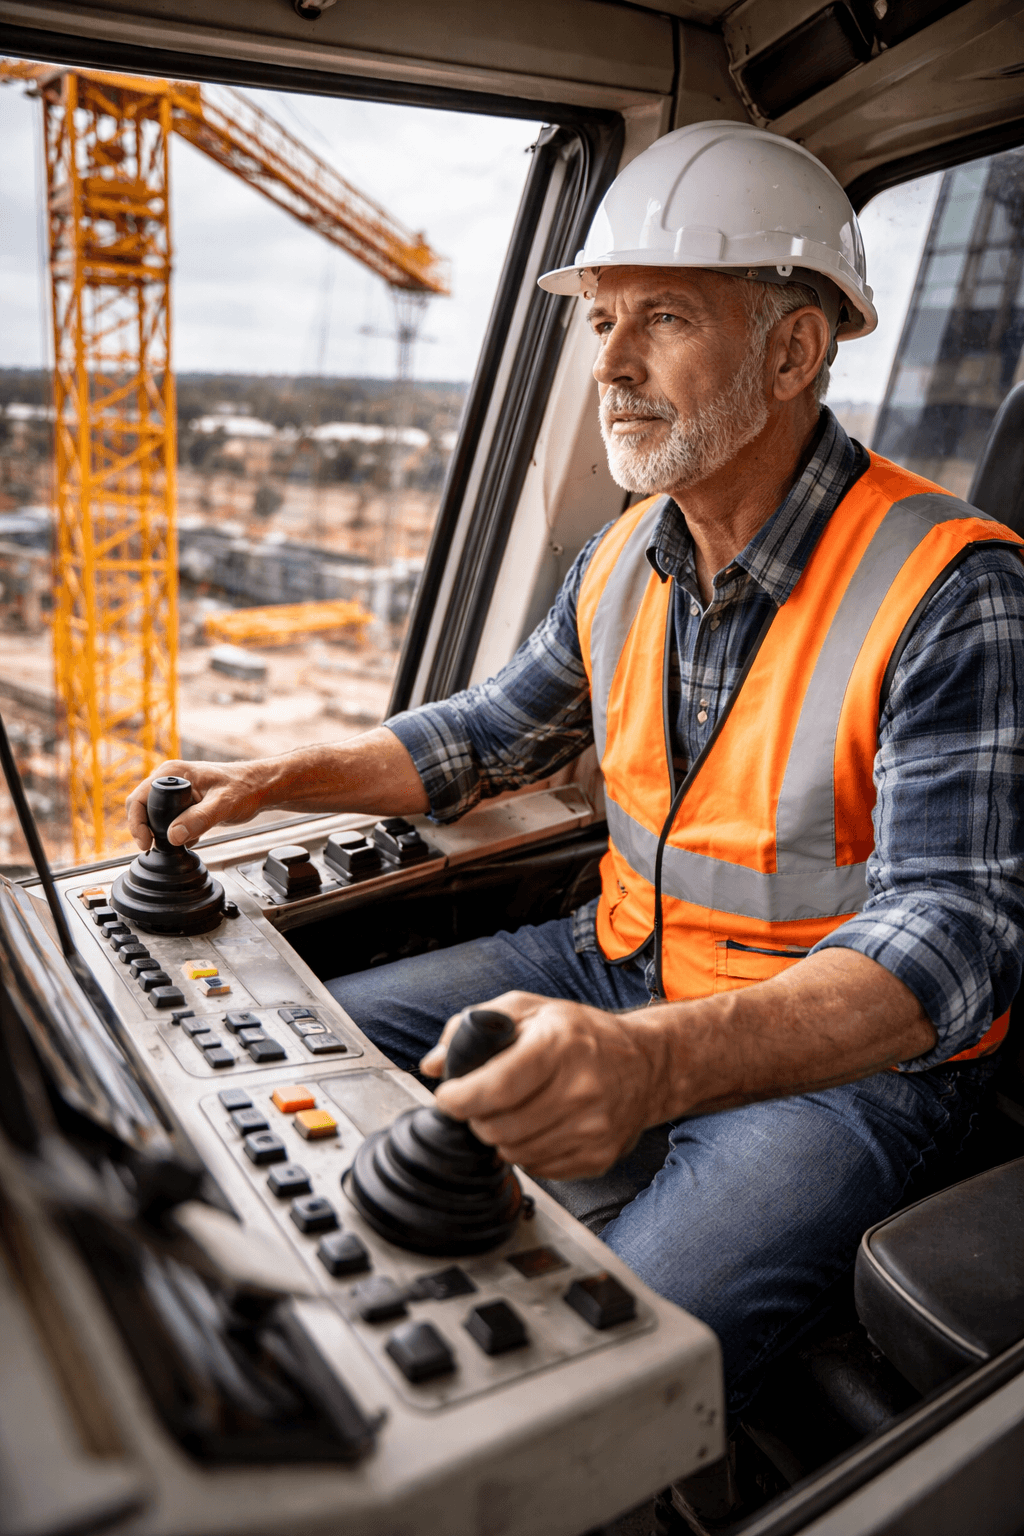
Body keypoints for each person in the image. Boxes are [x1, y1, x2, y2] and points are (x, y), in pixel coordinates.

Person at [127, 122, 1024, 1414]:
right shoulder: (625, 555)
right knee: (253, 1057)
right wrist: (269, 778)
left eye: (659, 315)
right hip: (613, 958)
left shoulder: (952, 584)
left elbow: (953, 939)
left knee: (567, 1388)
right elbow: (490, 735)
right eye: (599, 317)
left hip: (842, 1072)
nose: (608, 360)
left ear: (792, 351)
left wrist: (652, 1064)